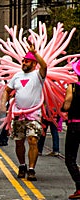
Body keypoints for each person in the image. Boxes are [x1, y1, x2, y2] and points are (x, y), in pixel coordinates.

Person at [0, 43, 47, 181]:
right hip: (18, 115)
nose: (24, 63)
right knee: (19, 142)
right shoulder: (17, 76)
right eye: (23, 61)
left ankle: (31, 169)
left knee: (33, 140)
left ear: (34, 63)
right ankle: (22, 166)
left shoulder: (38, 75)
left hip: (33, 115)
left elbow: (44, 66)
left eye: (27, 60)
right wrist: (3, 103)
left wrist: (35, 52)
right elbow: (7, 91)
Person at [61, 60, 80, 199]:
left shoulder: (72, 87)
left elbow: (67, 105)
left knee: (70, 158)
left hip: (75, 125)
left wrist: (62, 108)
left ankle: (79, 186)